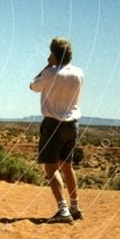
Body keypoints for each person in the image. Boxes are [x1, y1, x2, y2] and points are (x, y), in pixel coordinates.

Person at [29, 37, 84, 223]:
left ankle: (63, 210)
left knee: (51, 167)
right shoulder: (79, 73)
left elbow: (33, 86)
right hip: (72, 125)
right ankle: (75, 207)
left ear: (53, 54)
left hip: (53, 124)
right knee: (67, 166)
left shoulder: (50, 73)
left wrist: (47, 67)